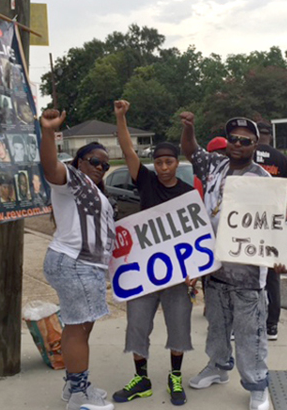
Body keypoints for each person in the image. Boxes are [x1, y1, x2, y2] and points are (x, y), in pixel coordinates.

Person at [180, 113, 273, 410]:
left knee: (250, 333)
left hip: (248, 276)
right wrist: (190, 128)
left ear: (255, 144)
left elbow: (276, 225)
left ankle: (257, 385)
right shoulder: (215, 166)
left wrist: (280, 256)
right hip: (215, 269)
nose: (237, 144)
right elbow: (190, 150)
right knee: (217, 326)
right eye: (233, 138)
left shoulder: (263, 179)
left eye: (245, 141)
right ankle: (218, 368)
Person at [111, 100, 194, 406]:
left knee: (179, 327)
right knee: (137, 325)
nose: (162, 167)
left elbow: (196, 237)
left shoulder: (187, 193)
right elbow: (127, 149)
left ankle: (175, 377)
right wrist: (121, 118)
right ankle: (141, 379)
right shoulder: (145, 182)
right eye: (158, 162)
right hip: (144, 271)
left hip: (174, 272)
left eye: (168, 162)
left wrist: (193, 271)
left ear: (176, 162)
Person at [39, 108, 115, 410]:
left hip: (84, 266)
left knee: (79, 327)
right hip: (75, 263)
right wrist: (47, 133)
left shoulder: (96, 192)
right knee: (78, 329)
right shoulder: (72, 181)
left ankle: (73, 386)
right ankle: (81, 396)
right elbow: (49, 166)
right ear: (80, 162)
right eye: (95, 161)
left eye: (105, 165)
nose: (100, 166)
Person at [254, 121, 287, 341]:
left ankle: (242, 323)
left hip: (249, 223)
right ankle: (272, 326)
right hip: (275, 224)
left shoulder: (246, 155)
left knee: (245, 275)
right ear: (269, 136)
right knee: (272, 276)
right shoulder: (281, 159)